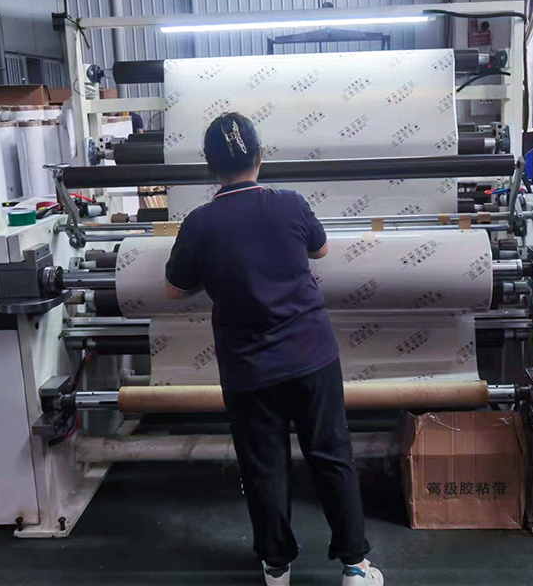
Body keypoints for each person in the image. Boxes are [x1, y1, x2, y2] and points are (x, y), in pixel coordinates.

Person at [164, 112, 383, 586]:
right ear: (261, 156)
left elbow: (174, 289)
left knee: (264, 467)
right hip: (311, 355)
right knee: (331, 455)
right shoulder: (290, 203)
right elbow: (320, 250)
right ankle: (355, 566)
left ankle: (276, 566)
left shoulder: (199, 223)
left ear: (209, 166)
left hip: (248, 368)